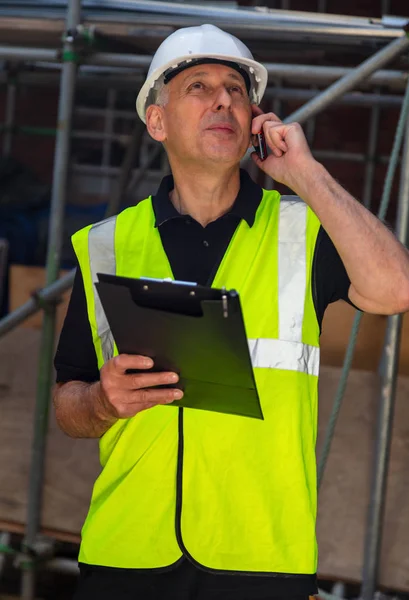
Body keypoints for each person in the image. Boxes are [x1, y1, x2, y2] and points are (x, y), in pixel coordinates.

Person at [53, 24, 409, 600]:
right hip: (125, 558)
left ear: (254, 124)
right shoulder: (105, 245)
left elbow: (398, 290)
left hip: (262, 559)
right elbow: (68, 401)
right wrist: (99, 401)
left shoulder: (303, 230)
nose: (223, 99)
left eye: (237, 90)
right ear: (157, 120)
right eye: (198, 86)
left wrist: (305, 174)